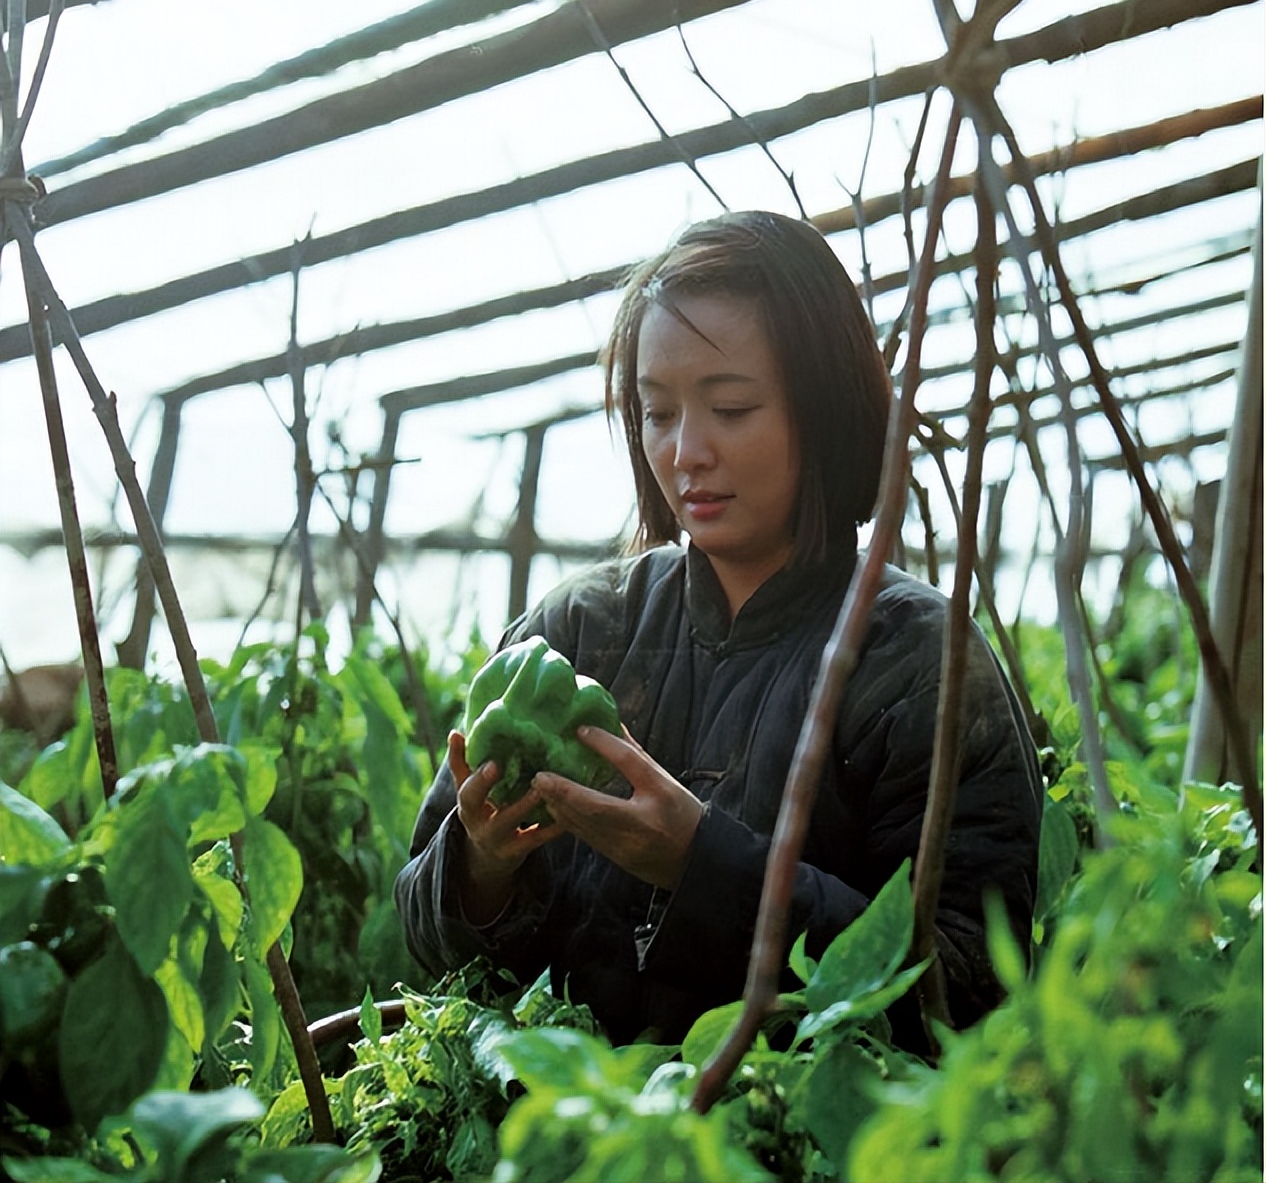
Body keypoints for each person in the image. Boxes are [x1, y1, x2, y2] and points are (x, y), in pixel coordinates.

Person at [394, 209, 1044, 1053]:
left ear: (825, 410)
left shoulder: (917, 661)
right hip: (564, 1118)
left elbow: (969, 991)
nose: (686, 452)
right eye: (657, 412)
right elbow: (424, 926)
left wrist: (701, 864)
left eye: (731, 408)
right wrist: (483, 863)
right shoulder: (580, 629)